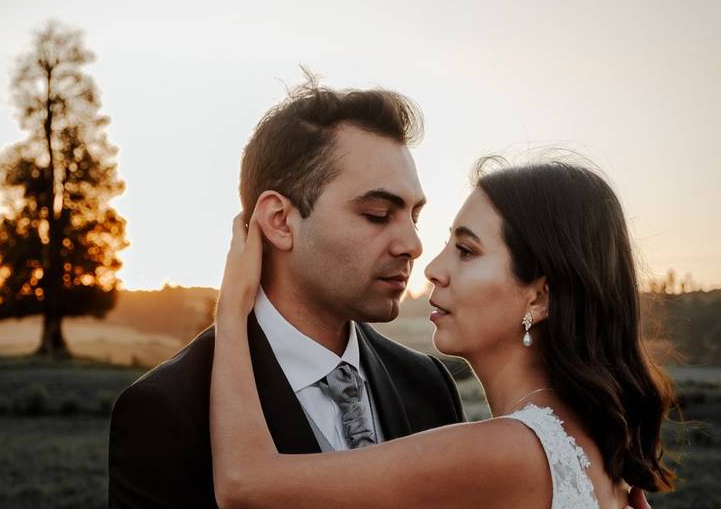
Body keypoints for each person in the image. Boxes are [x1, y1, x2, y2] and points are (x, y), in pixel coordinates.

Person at [211, 160, 673, 508]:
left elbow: (243, 482)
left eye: (467, 251)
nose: (432, 269)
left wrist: (232, 309)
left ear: (539, 297)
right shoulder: (595, 454)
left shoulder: (511, 450)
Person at [108, 84, 465, 508]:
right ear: (279, 220)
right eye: (377, 215)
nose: (412, 243)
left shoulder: (428, 385)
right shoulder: (165, 411)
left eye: (414, 216)